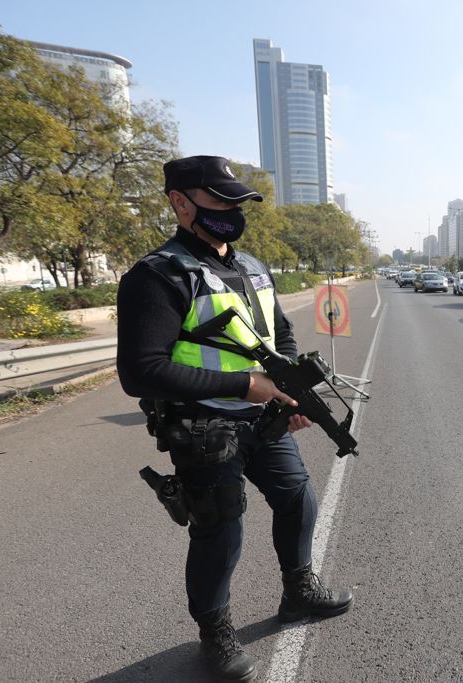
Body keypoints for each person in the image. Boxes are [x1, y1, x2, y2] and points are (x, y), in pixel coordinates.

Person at [117, 156, 352, 682]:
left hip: (261, 417)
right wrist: (243, 384)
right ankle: (215, 633)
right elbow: (141, 372)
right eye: (220, 200)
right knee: (221, 534)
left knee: (298, 498)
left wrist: (288, 392)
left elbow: (278, 335)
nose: (233, 210)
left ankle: (299, 591)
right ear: (180, 202)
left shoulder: (252, 267)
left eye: (237, 202)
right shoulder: (157, 276)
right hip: (203, 429)